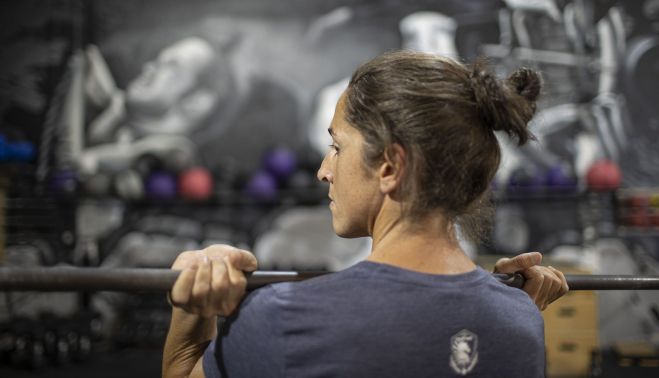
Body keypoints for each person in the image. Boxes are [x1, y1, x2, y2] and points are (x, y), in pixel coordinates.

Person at [162, 50, 569, 377]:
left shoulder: (283, 317)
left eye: (337, 147)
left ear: (390, 168)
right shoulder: (522, 322)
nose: (324, 170)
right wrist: (507, 304)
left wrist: (193, 305)